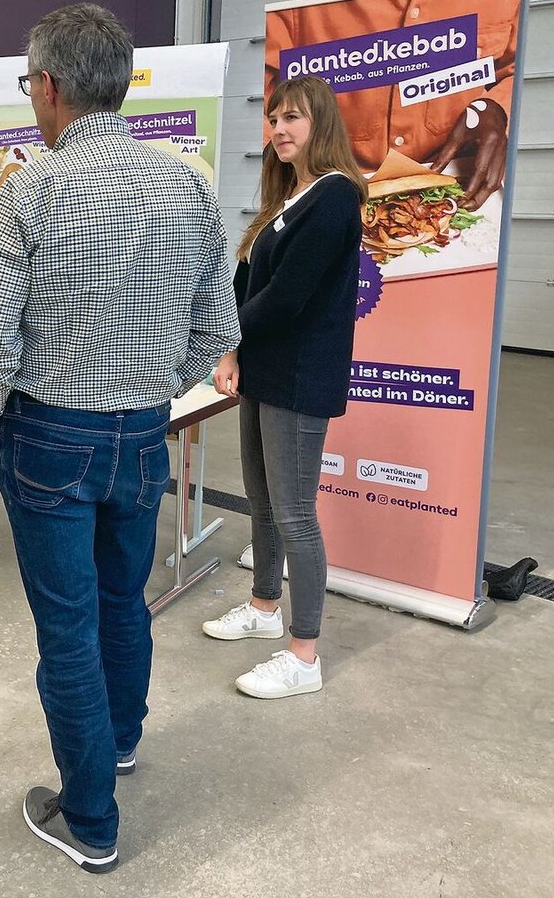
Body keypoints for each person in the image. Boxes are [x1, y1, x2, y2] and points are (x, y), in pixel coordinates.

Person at [0, 3, 239, 874]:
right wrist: (155, 387)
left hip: (48, 432)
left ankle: (90, 820)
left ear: (47, 86)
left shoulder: (30, 189)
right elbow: (217, 325)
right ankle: (119, 741)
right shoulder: (187, 185)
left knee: (68, 626)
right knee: (124, 601)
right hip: (144, 431)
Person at [203, 76, 366, 698]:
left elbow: (288, 297)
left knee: (295, 513)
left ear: (320, 123)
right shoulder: (287, 197)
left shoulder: (334, 195)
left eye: (292, 118)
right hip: (264, 370)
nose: (278, 129)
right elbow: (247, 284)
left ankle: (304, 655)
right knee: (262, 501)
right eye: (273, 119)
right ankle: (264, 606)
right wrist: (230, 348)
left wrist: (223, 334)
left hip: (299, 375)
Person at [265, 0, 521, 210]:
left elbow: (520, 70)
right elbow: (258, 91)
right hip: (327, 189)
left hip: (460, 185)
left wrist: (499, 108)